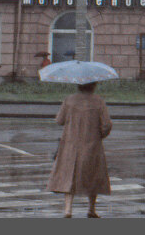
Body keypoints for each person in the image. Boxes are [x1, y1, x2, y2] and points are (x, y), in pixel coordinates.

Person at [47, 82, 112, 218]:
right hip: (92, 145)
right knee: (92, 175)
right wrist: (99, 136)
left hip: (70, 144)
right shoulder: (98, 101)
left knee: (68, 176)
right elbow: (106, 125)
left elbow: (59, 120)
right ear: (94, 85)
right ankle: (91, 209)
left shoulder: (69, 100)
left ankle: (68, 210)